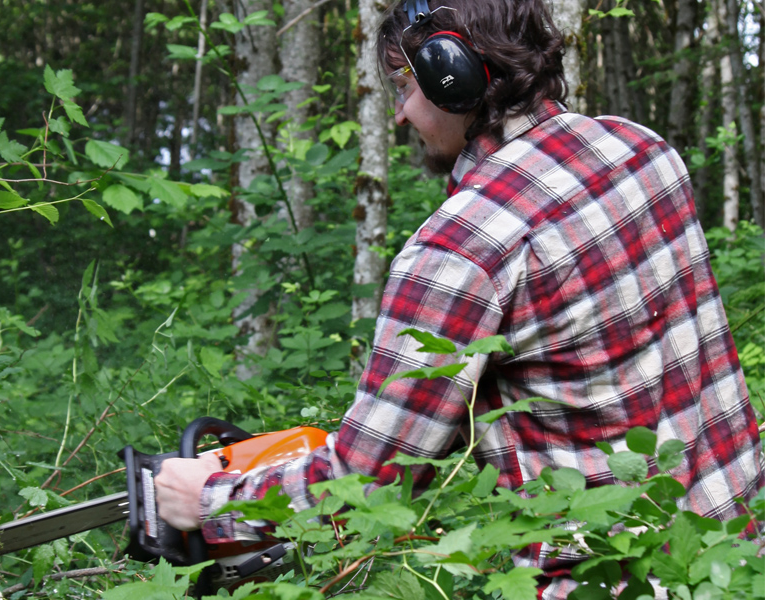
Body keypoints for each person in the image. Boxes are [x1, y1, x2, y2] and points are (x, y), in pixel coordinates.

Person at [154, 0, 765, 597]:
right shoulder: (641, 148)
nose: (401, 115)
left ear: (459, 77)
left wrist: (207, 502)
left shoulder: (460, 248)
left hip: (610, 582)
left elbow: (369, 482)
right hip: (736, 554)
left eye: (406, 86)